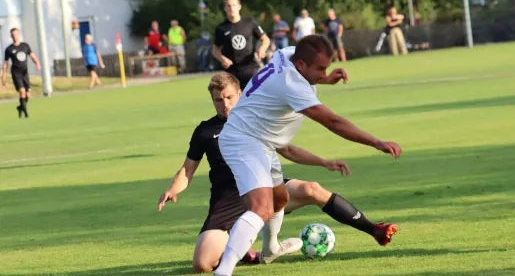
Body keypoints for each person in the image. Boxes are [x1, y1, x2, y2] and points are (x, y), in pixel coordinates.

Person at [157, 73, 398, 273]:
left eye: (229, 97)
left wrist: (323, 162)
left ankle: (372, 228)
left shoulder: (255, 120)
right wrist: (172, 189)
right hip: (228, 202)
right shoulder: (205, 132)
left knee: (311, 189)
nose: (225, 104)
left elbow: (288, 149)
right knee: (201, 264)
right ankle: (245, 250)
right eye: (218, 100)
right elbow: (187, 170)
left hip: (264, 188)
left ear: (240, 94)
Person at [214, 36, 402, 276]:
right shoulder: (292, 84)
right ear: (301, 66)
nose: (325, 72)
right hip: (244, 140)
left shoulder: (287, 53)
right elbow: (333, 122)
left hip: (262, 141)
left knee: (279, 199)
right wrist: (376, 142)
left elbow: (305, 65)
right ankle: (224, 271)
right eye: (320, 69)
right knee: (261, 208)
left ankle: (270, 249)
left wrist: (324, 79)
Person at [212, 0, 270, 90]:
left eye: (234, 5)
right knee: (236, 102)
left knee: (253, 99)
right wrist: (223, 59)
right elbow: (215, 50)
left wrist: (262, 50)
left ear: (239, 6)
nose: (232, 8)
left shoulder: (250, 22)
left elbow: (265, 39)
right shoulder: (221, 28)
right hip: (231, 71)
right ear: (225, 8)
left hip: (250, 68)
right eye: (229, 6)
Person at [2, 28, 41, 118]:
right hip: (16, 74)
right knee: (22, 92)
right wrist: (3, 75)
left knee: (28, 95)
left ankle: (20, 108)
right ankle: (26, 113)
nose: (14, 36)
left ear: (19, 34)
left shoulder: (25, 46)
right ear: (11, 36)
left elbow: (32, 55)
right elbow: (5, 63)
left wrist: (37, 63)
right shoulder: (9, 49)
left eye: (16, 34)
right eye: (13, 35)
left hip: (25, 73)